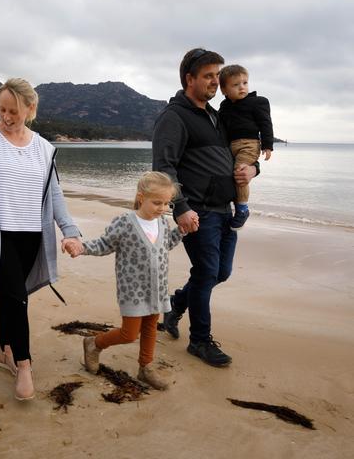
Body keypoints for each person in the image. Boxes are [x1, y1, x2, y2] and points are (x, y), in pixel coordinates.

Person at [0, 78, 81, 401]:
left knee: (10, 296)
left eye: (13, 111)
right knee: (17, 297)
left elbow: (55, 193)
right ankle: (24, 364)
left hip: (33, 236)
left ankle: (3, 349)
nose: (6, 116)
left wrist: (70, 231)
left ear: (31, 109)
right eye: (1, 109)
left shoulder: (43, 148)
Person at [152, 48, 258, 367]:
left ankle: (175, 305)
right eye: (208, 76)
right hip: (198, 212)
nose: (215, 81)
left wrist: (254, 169)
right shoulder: (174, 117)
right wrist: (181, 207)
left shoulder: (216, 115)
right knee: (207, 271)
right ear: (190, 79)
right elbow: (163, 168)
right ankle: (199, 341)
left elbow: (239, 153)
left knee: (220, 272)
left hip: (224, 209)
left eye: (217, 75)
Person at [68, 172, 184, 390]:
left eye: (167, 203)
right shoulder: (126, 222)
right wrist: (82, 247)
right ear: (141, 197)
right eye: (157, 202)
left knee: (150, 328)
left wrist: (182, 231)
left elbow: (165, 246)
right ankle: (94, 344)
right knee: (129, 334)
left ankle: (145, 368)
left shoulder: (162, 224)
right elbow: (104, 244)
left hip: (157, 288)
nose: (162, 208)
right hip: (133, 290)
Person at [218, 64, 274, 230]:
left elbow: (266, 124)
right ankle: (233, 205)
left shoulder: (258, 102)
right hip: (230, 145)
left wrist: (268, 145)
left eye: (245, 83)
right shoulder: (224, 106)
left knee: (240, 172)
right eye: (236, 85)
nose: (242, 87)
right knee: (230, 174)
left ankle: (242, 209)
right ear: (224, 89)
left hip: (249, 145)